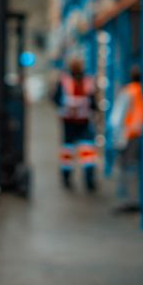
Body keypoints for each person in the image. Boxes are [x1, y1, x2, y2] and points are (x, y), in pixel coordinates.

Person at [109, 65, 143, 213]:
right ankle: (141, 198)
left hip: (131, 137)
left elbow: (117, 117)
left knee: (127, 168)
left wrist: (115, 138)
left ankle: (129, 200)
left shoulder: (129, 91)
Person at [52, 57, 98, 191]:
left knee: (72, 151)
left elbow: (56, 99)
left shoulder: (65, 80)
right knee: (80, 152)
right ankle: (87, 181)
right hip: (78, 121)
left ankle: (69, 179)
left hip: (73, 122)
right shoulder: (84, 80)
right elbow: (93, 102)